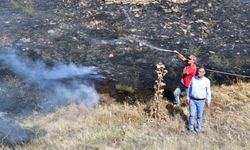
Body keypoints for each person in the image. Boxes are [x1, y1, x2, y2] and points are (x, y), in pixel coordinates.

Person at [186, 67, 211, 133]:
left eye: (200, 72)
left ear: (204, 73)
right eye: (198, 71)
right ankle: (190, 128)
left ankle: (198, 129)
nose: (199, 73)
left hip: (201, 101)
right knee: (192, 114)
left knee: (199, 116)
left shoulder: (207, 81)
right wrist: (188, 97)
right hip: (192, 100)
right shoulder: (193, 78)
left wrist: (208, 101)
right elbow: (189, 88)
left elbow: (208, 91)